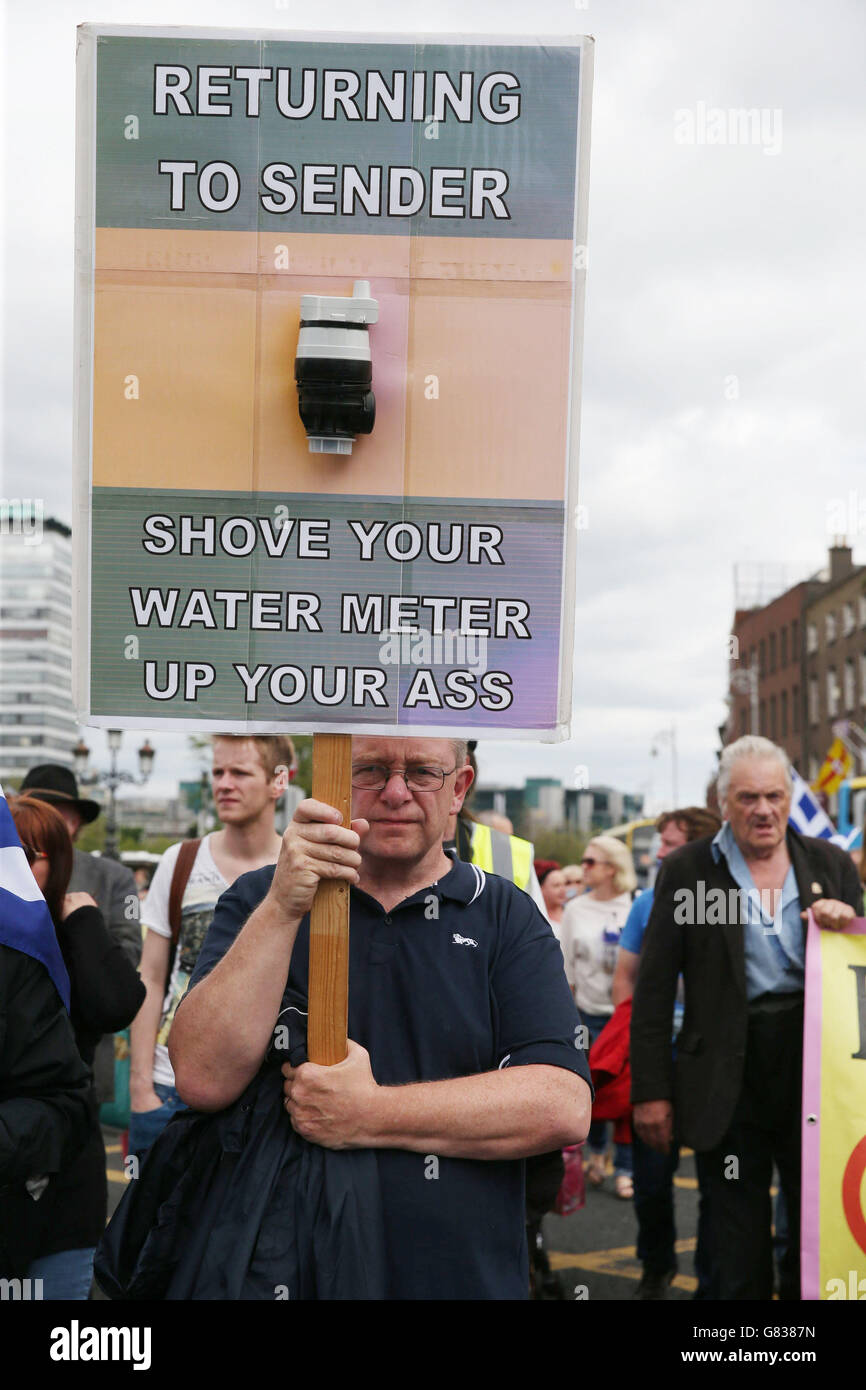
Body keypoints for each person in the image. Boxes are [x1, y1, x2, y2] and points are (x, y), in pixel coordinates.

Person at [168, 736, 592, 1300]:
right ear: (332, 780)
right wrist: (283, 906)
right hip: (279, 1273)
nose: (395, 792)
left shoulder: (505, 914)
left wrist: (368, 1113)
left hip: (458, 1279)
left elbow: (561, 1104)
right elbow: (201, 1076)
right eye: (369, 770)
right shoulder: (261, 899)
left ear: (459, 788)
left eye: (423, 772)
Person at [631, 736, 863, 1300]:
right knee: (734, 1238)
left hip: (815, 1067)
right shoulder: (688, 870)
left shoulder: (830, 863)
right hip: (725, 1073)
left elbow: (860, 976)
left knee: (818, 1226)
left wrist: (848, 921)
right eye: (748, 798)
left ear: (790, 798)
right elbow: (654, 988)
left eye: (774, 796)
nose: (764, 810)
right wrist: (651, 1093)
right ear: (724, 802)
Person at [128, 734, 294, 1159]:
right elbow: (151, 977)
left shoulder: (296, 869)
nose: (224, 784)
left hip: (267, 1093)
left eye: (240, 772)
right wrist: (141, 1086)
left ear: (279, 781)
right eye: (217, 772)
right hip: (169, 1087)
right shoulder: (180, 861)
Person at [9, 796, 145, 1298]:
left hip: (66, 1173)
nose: (14, 868)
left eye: (28, 856)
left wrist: (84, 918)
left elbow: (116, 1005)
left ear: (59, 864)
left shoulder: (72, 936)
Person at [612, 806, 721, 1299]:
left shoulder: (729, 899)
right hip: (658, 1056)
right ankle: (656, 1267)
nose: (658, 855)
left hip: (714, 1059)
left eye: (670, 845)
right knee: (652, 1179)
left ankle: (712, 1278)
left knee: (722, 1181)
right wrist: (630, 1043)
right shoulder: (646, 903)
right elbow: (626, 977)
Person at [19, 764, 142, 1108]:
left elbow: (131, 950)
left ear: (74, 823)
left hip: (82, 1054)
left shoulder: (118, 878)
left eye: (55, 813)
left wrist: (85, 932)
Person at [560, 835, 637, 1197]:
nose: (584, 867)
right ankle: (596, 1154)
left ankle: (625, 1169)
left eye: (590, 862)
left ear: (612, 868)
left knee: (627, 1096)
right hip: (586, 1016)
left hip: (626, 1016)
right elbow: (566, 967)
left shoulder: (634, 904)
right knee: (592, 1089)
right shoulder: (575, 909)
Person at [535, 859, 567, 933]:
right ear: (540, 888)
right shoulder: (535, 918)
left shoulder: (572, 912)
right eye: (556, 885)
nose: (563, 890)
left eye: (565, 884)